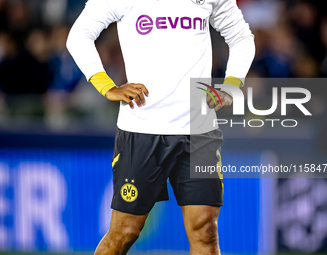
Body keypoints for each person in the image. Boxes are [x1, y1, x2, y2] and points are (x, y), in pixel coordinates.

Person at [67, 0, 255, 254]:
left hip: (200, 130)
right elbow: (78, 36)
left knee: (205, 230)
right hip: (142, 129)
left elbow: (241, 37)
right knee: (125, 231)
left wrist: (231, 85)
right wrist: (106, 85)